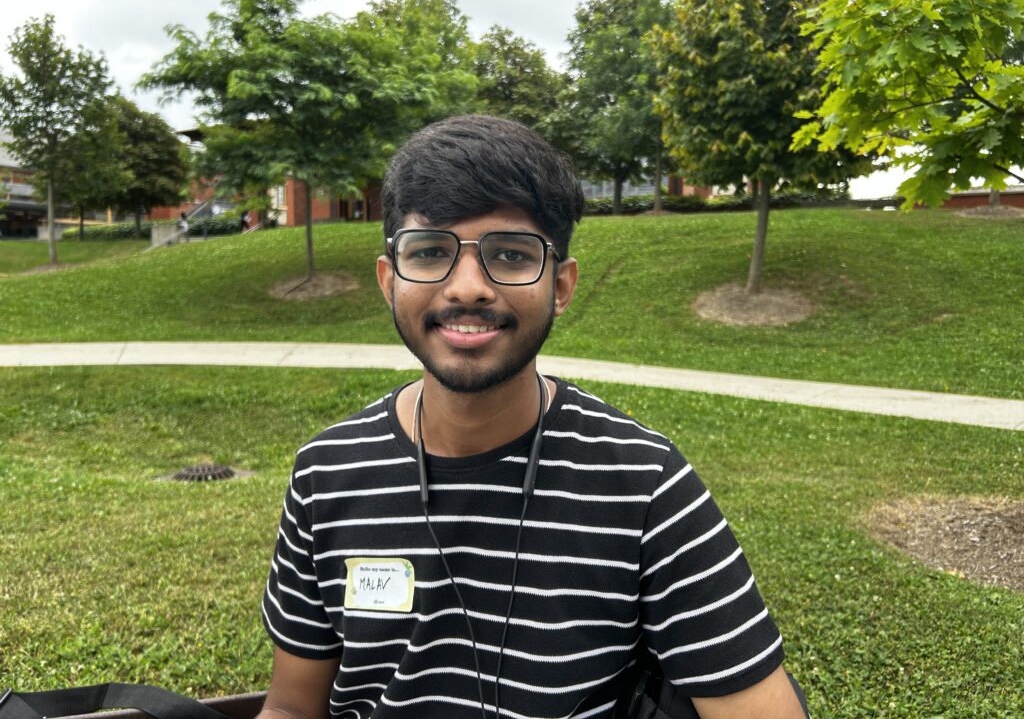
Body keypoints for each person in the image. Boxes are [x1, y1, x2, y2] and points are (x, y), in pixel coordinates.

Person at [258, 115, 807, 719]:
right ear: (389, 280)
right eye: (432, 251)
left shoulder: (646, 484)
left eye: (512, 255)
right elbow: (291, 708)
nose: (468, 287)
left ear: (562, 286)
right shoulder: (327, 473)